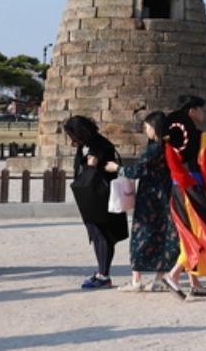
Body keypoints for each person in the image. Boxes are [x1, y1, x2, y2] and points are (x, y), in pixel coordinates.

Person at [104, 111, 180, 292]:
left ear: (154, 128)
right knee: (164, 236)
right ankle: (159, 278)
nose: (145, 130)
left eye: (147, 127)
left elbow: (136, 172)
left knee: (141, 235)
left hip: (149, 198)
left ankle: (136, 279)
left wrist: (116, 168)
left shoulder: (154, 149)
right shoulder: (167, 146)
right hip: (165, 195)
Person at [162, 104, 206, 298]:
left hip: (178, 188)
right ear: (191, 111)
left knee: (187, 233)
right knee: (200, 234)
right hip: (196, 190)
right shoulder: (202, 137)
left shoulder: (171, 137)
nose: (203, 113)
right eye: (200, 109)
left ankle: (195, 282)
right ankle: (173, 275)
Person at [65, 115, 129, 289]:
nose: (72, 140)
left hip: (102, 196)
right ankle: (102, 273)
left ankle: (103, 275)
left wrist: (94, 165)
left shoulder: (100, 145)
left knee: (102, 233)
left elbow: (101, 169)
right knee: (96, 233)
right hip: (90, 196)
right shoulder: (85, 145)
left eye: (73, 135)